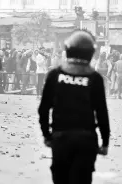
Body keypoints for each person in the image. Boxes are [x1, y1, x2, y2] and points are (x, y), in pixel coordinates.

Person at [38, 30, 110, 184]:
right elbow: (102, 112)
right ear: (91, 53)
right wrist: (105, 142)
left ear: (67, 50)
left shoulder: (55, 75)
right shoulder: (94, 78)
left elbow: (43, 109)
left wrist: (46, 135)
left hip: (60, 137)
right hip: (86, 139)